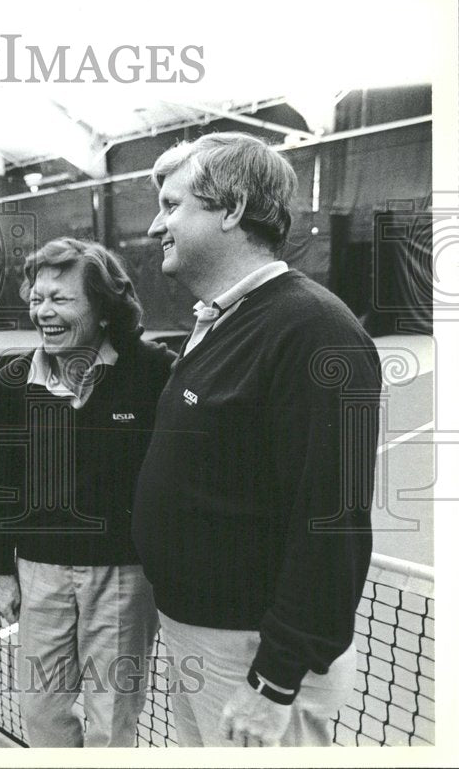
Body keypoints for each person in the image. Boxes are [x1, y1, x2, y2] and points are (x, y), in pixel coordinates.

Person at [133, 132, 382, 747]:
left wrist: (273, 680)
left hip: (250, 656)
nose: (154, 226)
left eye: (172, 205)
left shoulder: (315, 331)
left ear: (233, 209)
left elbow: (333, 518)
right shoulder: (224, 319)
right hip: (198, 634)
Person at [0, 238, 175, 747]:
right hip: (39, 572)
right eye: (37, 297)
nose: (43, 311)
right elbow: (1, 482)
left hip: (123, 576)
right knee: (40, 710)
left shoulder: (153, 371)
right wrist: (4, 568)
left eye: (60, 299)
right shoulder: (10, 386)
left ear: (103, 307)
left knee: (113, 720)